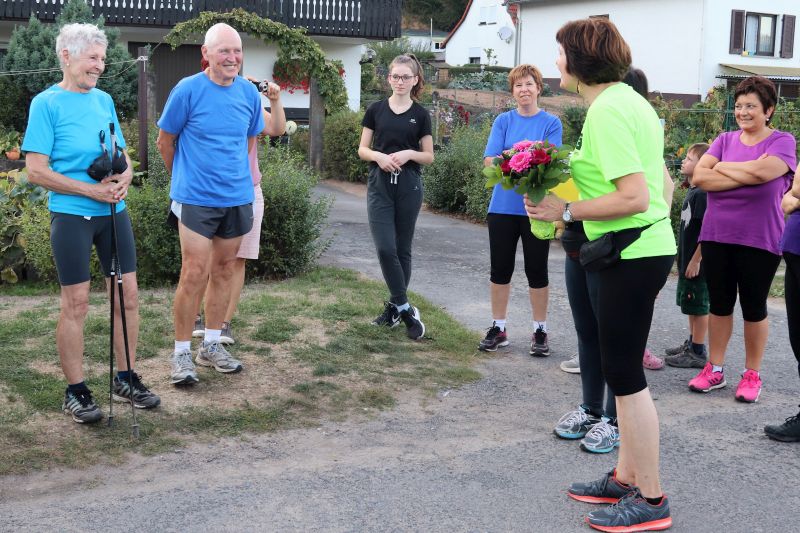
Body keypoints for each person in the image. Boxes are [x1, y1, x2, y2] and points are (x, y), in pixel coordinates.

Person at [526, 18, 676, 531]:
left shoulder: (609, 110)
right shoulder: (626, 101)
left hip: (630, 253)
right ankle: (626, 477)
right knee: (620, 370)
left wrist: (565, 211)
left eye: (560, 52)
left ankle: (651, 500)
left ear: (580, 59)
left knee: (627, 377)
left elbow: (633, 196)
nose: (557, 61)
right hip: (637, 249)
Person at [23, 23, 160, 423]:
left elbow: (121, 152)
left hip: (113, 213)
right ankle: (76, 391)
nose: (100, 65)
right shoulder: (46, 103)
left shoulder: (104, 100)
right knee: (77, 302)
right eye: (92, 58)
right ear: (66, 56)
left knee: (127, 296)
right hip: (72, 216)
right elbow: (35, 170)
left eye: (102, 58)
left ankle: (126, 377)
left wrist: (126, 176)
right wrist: (91, 192)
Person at [157, 23, 265, 385]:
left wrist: (231, 177)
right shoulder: (187, 90)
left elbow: (248, 141)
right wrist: (183, 180)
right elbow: (165, 142)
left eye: (237, 51)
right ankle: (181, 353)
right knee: (193, 273)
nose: (232, 58)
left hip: (236, 198)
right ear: (206, 54)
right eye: (224, 51)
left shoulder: (248, 93)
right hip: (196, 199)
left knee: (224, 271)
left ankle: (212, 345)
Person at [689, 76, 796, 403]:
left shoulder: (782, 141)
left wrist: (722, 168)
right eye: (738, 106)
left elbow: (764, 174)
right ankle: (715, 368)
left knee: (753, 306)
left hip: (760, 237)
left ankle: (752, 374)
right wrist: (744, 172)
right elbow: (700, 177)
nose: (743, 112)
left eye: (751, 106)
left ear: (769, 110)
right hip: (717, 235)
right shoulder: (724, 140)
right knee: (720, 304)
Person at [191, 67, 286, 345]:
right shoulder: (204, 95)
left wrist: (274, 100)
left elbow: (277, 129)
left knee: (237, 260)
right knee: (205, 258)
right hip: (210, 191)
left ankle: (223, 323)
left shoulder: (249, 100)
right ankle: (197, 317)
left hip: (248, 190)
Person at [479, 64, 562, 356]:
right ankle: (498, 327)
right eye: (518, 85)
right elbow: (489, 160)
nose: (524, 90)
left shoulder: (551, 123)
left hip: (537, 209)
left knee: (537, 270)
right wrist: (521, 161)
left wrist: (514, 160)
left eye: (528, 84)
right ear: (512, 91)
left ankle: (540, 330)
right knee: (500, 269)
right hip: (502, 208)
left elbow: (551, 161)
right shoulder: (503, 121)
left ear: (539, 88)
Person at [358, 54, 434, 340]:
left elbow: (429, 156)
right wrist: (378, 157)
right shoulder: (375, 110)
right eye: (396, 76)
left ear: (415, 80)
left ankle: (393, 309)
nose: (400, 81)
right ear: (389, 78)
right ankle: (405, 310)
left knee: (402, 250)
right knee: (385, 248)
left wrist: (409, 153)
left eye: (406, 77)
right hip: (380, 185)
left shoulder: (421, 114)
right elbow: (363, 149)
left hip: (409, 186)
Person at [665, 143, 711, 368]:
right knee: (691, 304)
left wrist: (696, 260)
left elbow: (708, 230)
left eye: (690, 159)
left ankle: (698, 352)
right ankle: (692, 344)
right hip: (687, 260)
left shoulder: (702, 194)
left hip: (698, 264)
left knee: (699, 306)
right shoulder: (694, 191)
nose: (684, 161)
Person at [764, 177, 800, 441]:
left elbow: (796, 189)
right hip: (794, 250)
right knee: (798, 340)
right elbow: (787, 200)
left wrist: (795, 197)